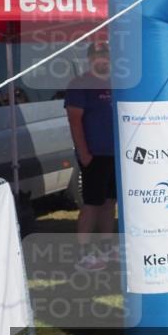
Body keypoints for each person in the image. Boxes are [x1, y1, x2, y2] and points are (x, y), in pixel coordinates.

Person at [65, 41, 117, 271]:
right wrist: (84, 154)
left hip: (116, 154)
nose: (102, 58)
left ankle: (107, 249)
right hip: (94, 155)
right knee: (91, 205)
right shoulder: (79, 84)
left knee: (109, 203)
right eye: (98, 55)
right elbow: (74, 120)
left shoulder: (116, 82)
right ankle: (83, 255)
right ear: (90, 58)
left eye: (105, 53)